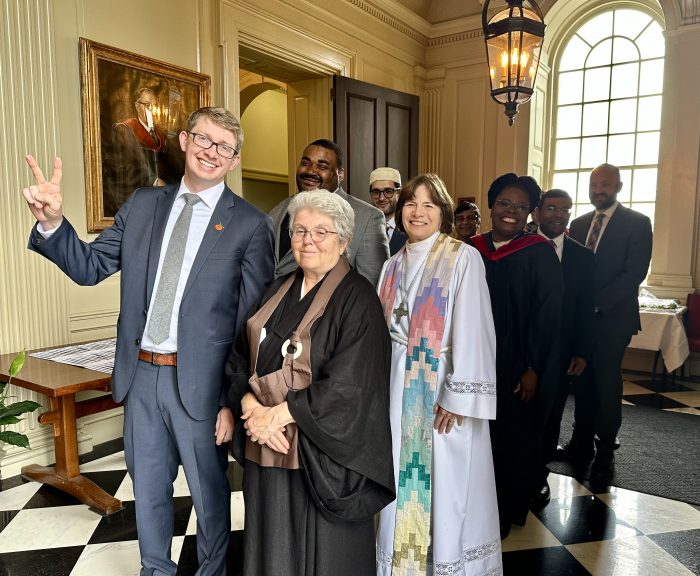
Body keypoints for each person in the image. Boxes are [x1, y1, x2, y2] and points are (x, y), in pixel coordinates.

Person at [23, 106, 275, 576]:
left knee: (209, 493)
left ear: (235, 160)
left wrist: (230, 399)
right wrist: (54, 223)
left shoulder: (249, 225)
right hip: (140, 377)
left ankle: (211, 571)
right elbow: (89, 267)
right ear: (184, 140)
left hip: (201, 386)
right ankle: (154, 569)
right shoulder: (143, 205)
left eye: (225, 146)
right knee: (151, 489)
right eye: (203, 138)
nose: (211, 151)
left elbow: (251, 326)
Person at [226, 190, 395, 575]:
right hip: (266, 445)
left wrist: (280, 415)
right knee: (270, 542)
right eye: (299, 231)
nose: (308, 240)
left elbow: (351, 384)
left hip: (319, 455)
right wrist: (252, 409)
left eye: (321, 232)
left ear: (344, 241)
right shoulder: (277, 289)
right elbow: (237, 356)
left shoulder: (358, 299)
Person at [376, 174, 502, 575]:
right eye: (411, 203)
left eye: (429, 205)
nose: (418, 212)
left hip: (440, 388)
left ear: (444, 213)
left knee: (447, 485)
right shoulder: (391, 265)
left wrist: (457, 395)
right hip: (397, 387)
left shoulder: (461, 257)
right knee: (399, 478)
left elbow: (476, 328)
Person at [469, 173, 563, 538]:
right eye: (505, 203)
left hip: (514, 365)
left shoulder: (539, 254)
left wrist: (532, 368)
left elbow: (547, 317)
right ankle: (471, 506)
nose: (511, 211)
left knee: (510, 439)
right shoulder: (469, 249)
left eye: (521, 206)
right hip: (474, 360)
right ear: (491, 205)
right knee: (475, 437)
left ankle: (504, 511)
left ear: (531, 213)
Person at [557, 163, 653, 482]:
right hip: (581, 323)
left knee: (606, 386)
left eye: (605, 185)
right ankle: (579, 445)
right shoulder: (580, 222)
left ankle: (606, 451)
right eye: (594, 184)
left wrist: (595, 304)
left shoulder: (638, 223)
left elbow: (634, 273)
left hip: (613, 320)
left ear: (619, 187)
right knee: (581, 383)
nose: (598, 190)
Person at [532, 189, 594, 505]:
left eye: (565, 209)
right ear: (538, 212)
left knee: (551, 413)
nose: (559, 214)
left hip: (560, 351)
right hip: (522, 347)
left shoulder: (583, 257)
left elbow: (585, 308)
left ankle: (539, 474)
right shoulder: (521, 247)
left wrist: (581, 351)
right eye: (552, 207)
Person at [269, 139, 389, 285]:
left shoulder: (368, 218)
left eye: (322, 166)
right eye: (305, 163)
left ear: (340, 174)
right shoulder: (279, 209)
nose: (311, 171)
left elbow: (372, 287)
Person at [103, 87, 177, 217]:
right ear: (138, 106)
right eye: (148, 105)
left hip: (160, 205)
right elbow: (122, 170)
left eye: (155, 106)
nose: (152, 111)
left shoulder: (161, 136)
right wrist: (153, 180)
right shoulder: (124, 130)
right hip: (137, 204)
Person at [368, 166, 406, 255]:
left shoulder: (409, 227)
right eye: (376, 192)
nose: (381, 198)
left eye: (388, 191)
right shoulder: (363, 227)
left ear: (399, 193)